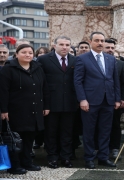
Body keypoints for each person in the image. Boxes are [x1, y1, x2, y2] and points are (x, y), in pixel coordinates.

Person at [0, 44, 50, 174]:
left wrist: (46, 106)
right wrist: (3, 110)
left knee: (29, 138)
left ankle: (27, 162)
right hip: (16, 111)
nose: (27, 55)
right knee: (15, 139)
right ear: (16, 54)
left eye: (30, 53)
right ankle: (15, 166)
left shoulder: (37, 68)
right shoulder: (8, 69)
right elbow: (3, 91)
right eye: (24, 52)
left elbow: (44, 88)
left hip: (34, 110)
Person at [74, 32, 120, 169]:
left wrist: (117, 99)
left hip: (108, 101)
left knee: (105, 130)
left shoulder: (110, 59)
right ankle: (89, 158)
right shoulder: (82, 59)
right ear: (90, 41)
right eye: (97, 40)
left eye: (102, 40)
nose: (100, 43)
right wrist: (82, 99)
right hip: (90, 101)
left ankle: (103, 158)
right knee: (89, 131)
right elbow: (78, 81)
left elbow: (115, 80)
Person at [37, 36, 78, 169]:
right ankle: (52, 158)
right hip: (51, 103)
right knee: (51, 132)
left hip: (70, 103)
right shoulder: (43, 59)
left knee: (67, 132)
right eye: (61, 44)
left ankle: (65, 157)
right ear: (54, 45)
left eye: (67, 44)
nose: (65, 47)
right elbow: (40, 82)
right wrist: (44, 104)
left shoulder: (75, 60)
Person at [103, 38, 124, 160]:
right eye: (107, 47)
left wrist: (123, 99)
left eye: (112, 48)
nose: (110, 50)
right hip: (99, 100)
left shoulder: (120, 64)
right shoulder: (96, 62)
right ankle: (101, 149)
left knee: (115, 125)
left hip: (115, 102)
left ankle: (114, 148)